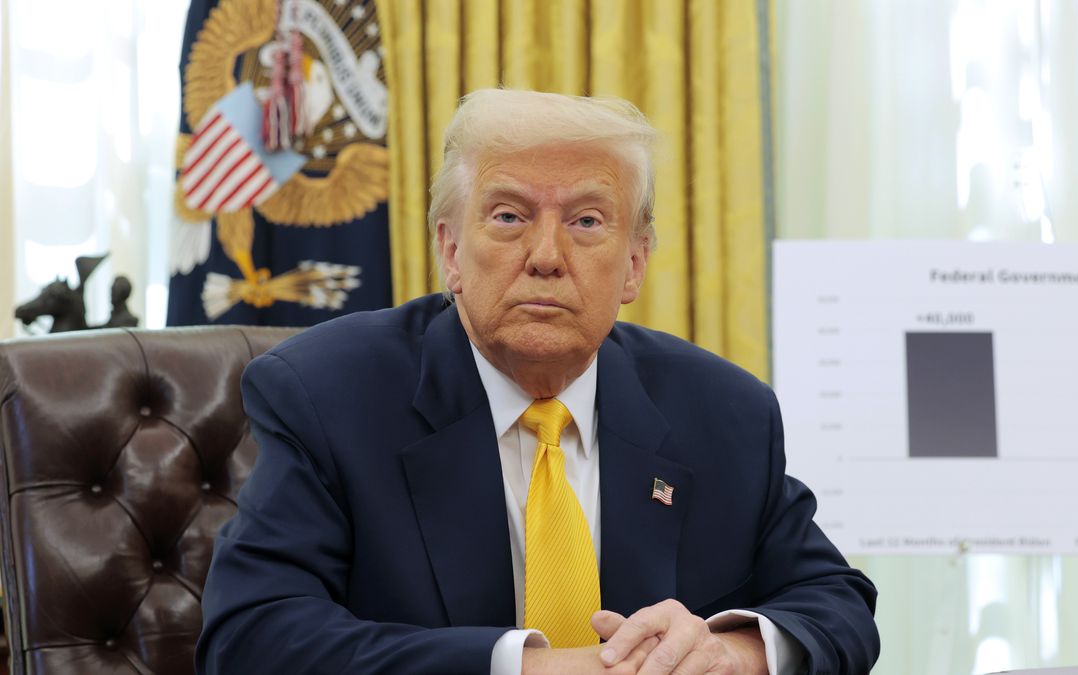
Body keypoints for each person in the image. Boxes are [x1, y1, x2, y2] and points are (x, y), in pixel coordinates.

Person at [196, 89, 879, 674]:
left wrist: (731, 653)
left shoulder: (726, 411)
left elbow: (835, 601)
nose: (547, 256)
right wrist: (527, 665)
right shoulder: (327, 394)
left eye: (586, 221)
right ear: (451, 250)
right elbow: (251, 634)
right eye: (509, 217)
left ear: (635, 264)